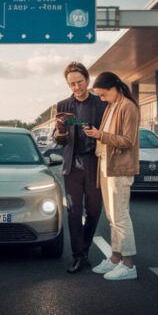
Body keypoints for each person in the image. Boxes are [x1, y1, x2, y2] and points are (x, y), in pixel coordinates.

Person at [83, 71, 140, 281]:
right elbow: (108, 137)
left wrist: (100, 135)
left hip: (119, 168)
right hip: (106, 166)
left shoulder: (128, 107)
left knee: (120, 217)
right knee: (112, 217)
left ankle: (129, 265)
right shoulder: (111, 106)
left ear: (114, 88)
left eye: (103, 94)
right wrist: (97, 134)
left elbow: (128, 141)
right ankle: (115, 259)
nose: (101, 99)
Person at [54, 62, 107, 273]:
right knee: (74, 212)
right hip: (72, 165)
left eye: (80, 82)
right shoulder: (62, 105)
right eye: (72, 84)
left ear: (87, 80)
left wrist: (98, 134)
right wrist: (59, 133)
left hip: (95, 163)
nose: (77, 87)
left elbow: (109, 132)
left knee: (94, 211)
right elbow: (58, 140)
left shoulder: (102, 104)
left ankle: (84, 249)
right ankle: (79, 256)